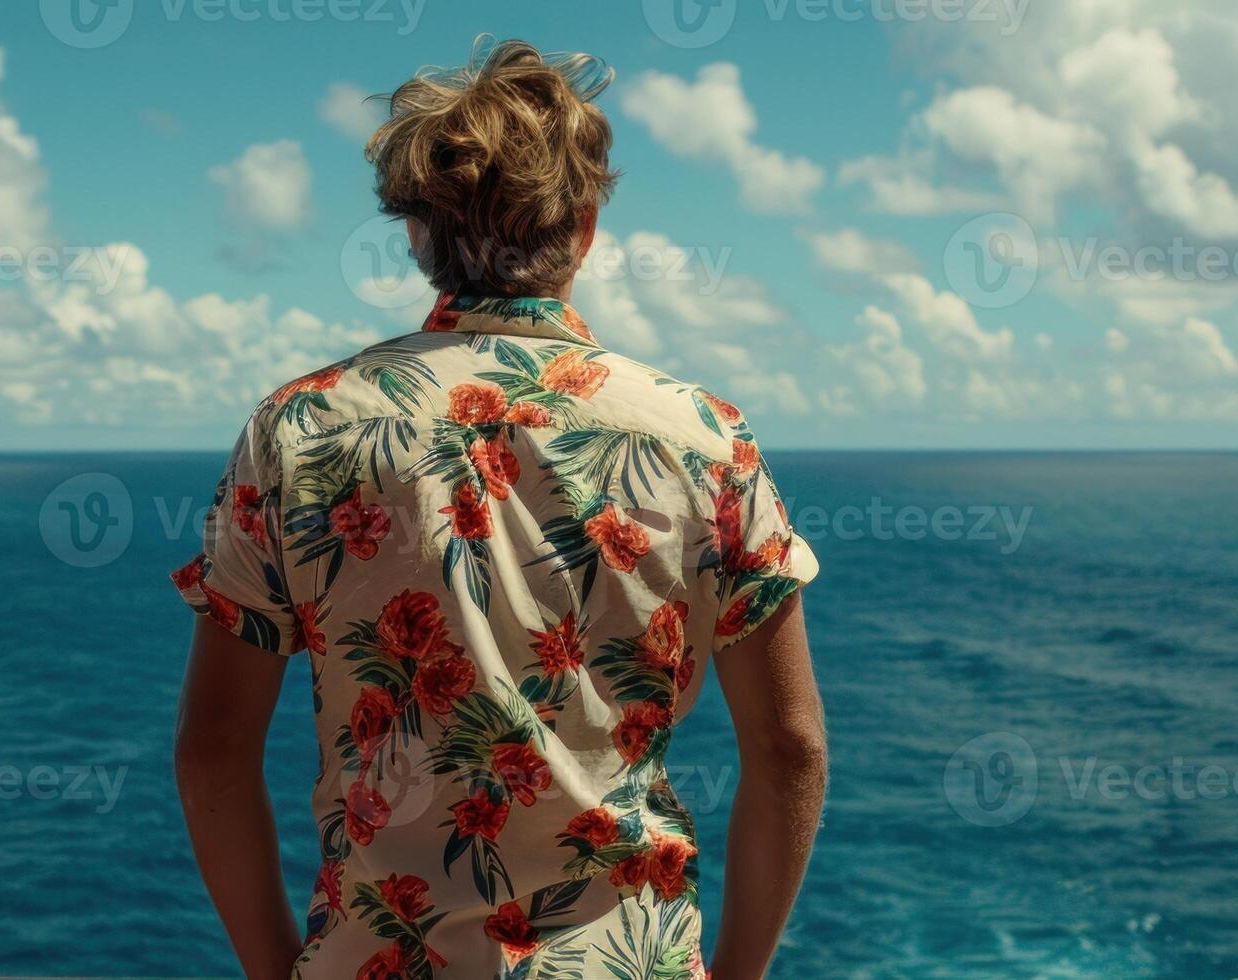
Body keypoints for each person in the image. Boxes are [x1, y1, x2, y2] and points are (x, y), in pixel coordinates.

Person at [170, 38, 827, 980]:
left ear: (417, 235)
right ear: (588, 223)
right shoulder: (704, 440)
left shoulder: (298, 430)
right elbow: (791, 749)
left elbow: (211, 751)